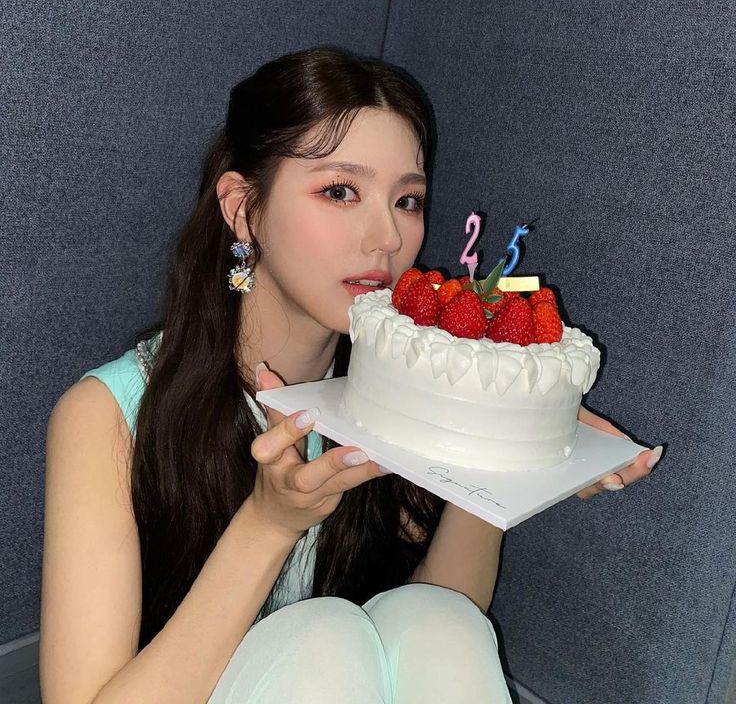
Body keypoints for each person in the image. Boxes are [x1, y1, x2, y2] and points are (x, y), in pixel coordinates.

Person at [40, 46, 662, 704]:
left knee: (437, 620)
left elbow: (435, 625)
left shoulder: (398, 388)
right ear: (242, 209)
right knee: (323, 634)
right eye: (340, 191)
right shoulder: (107, 416)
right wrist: (269, 522)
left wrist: (506, 444)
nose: (387, 237)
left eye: (408, 200)